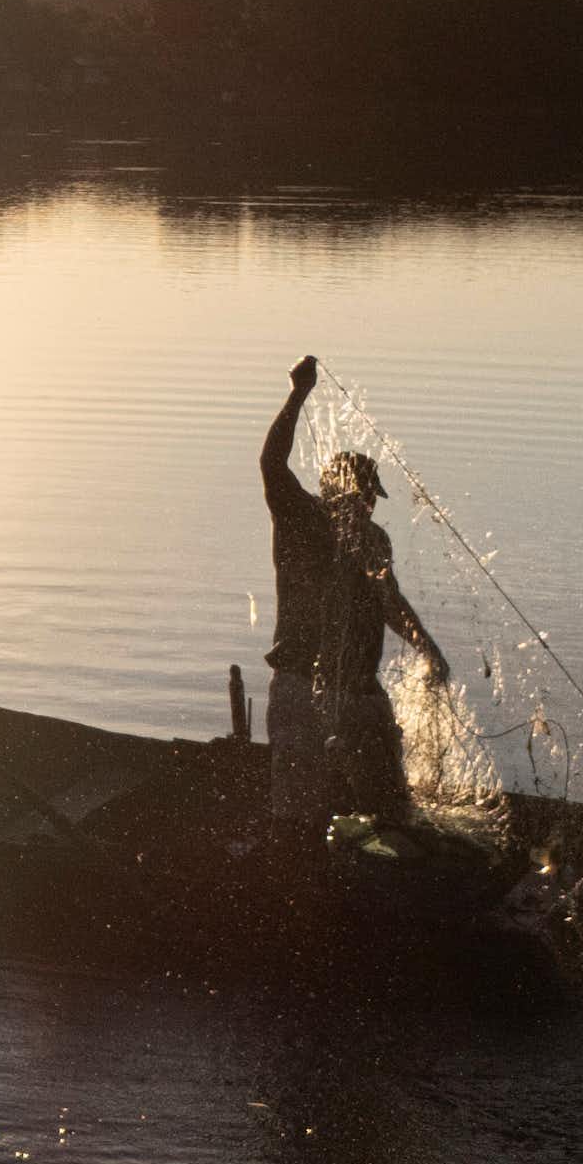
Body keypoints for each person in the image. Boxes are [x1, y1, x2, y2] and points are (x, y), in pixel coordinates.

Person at [317, 451, 449, 829]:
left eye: (372, 497)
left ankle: (383, 829)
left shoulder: (374, 540)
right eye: (363, 495)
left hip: (363, 683)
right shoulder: (318, 540)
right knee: (353, 782)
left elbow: (389, 602)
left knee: (387, 772)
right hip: (330, 685)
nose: (369, 505)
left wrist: (427, 648)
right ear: (338, 495)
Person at [258, 356, 338, 838]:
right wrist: (299, 395)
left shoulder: (355, 538)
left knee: (316, 800)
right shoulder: (301, 518)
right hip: (299, 678)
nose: (361, 503)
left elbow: (384, 605)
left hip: (334, 685)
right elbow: (271, 462)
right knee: (296, 803)